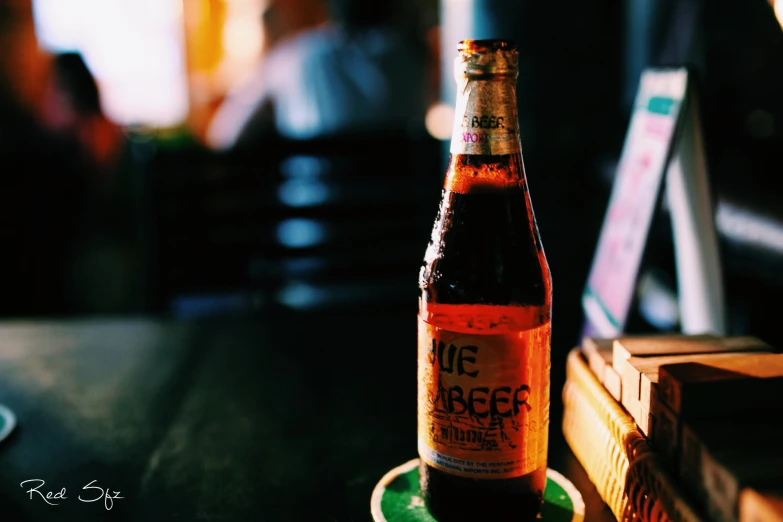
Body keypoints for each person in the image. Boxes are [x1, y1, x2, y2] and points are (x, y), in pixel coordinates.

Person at [206, 0, 432, 149]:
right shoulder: (412, 59)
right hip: (400, 219)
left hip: (313, 219)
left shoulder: (294, 56)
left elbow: (225, 136)